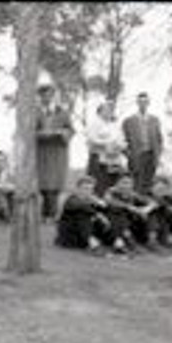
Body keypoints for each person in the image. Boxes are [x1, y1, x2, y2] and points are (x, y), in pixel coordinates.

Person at [35, 80, 74, 221]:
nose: (47, 98)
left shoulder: (62, 112)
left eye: (50, 95)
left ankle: (52, 214)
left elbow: (71, 129)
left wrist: (63, 133)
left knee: (56, 183)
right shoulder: (35, 112)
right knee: (44, 183)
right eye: (44, 95)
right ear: (40, 96)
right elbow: (28, 131)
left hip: (58, 150)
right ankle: (46, 214)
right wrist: (41, 134)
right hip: (42, 151)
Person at [55, 175, 115, 253]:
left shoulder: (91, 201)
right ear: (77, 189)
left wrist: (104, 205)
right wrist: (97, 214)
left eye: (90, 189)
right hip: (69, 237)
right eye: (85, 188)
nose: (88, 191)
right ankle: (93, 244)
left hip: (83, 236)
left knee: (113, 216)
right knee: (83, 215)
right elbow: (79, 206)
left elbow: (107, 209)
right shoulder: (71, 200)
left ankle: (118, 241)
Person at [122, 92, 163, 196]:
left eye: (145, 101)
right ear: (137, 103)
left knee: (148, 182)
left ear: (149, 103)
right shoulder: (128, 121)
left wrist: (158, 154)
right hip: (136, 156)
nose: (143, 104)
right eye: (140, 102)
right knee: (136, 182)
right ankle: (135, 206)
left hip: (151, 155)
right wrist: (129, 154)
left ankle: (146, 207)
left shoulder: (155, 120)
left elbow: (159, 139)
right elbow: (122, 140)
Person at [104, 174, 159, 252]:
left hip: (132, 224)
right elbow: (110, 201)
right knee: (118, 213)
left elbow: (153, 203)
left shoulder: (132, 194)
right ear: (117, 183)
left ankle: (152, 240)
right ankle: (130, 242)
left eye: (129, 183)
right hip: (115, 225)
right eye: (124, 183)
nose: (126, 186)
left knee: (151, 214)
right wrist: (130, 207)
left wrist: (146, 209)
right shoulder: (111, 192)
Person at [85, 101, 126, 196]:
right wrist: (107, 143)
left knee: (112, 186)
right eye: (107, 109)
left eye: (111, 110)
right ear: (100, 111)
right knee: (99, 186)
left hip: (114, 159)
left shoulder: (114, 125)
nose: (109, 111)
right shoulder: (94, 123)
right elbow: (91, 140)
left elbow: (122, 139)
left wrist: (121, 145)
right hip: (98, 159)